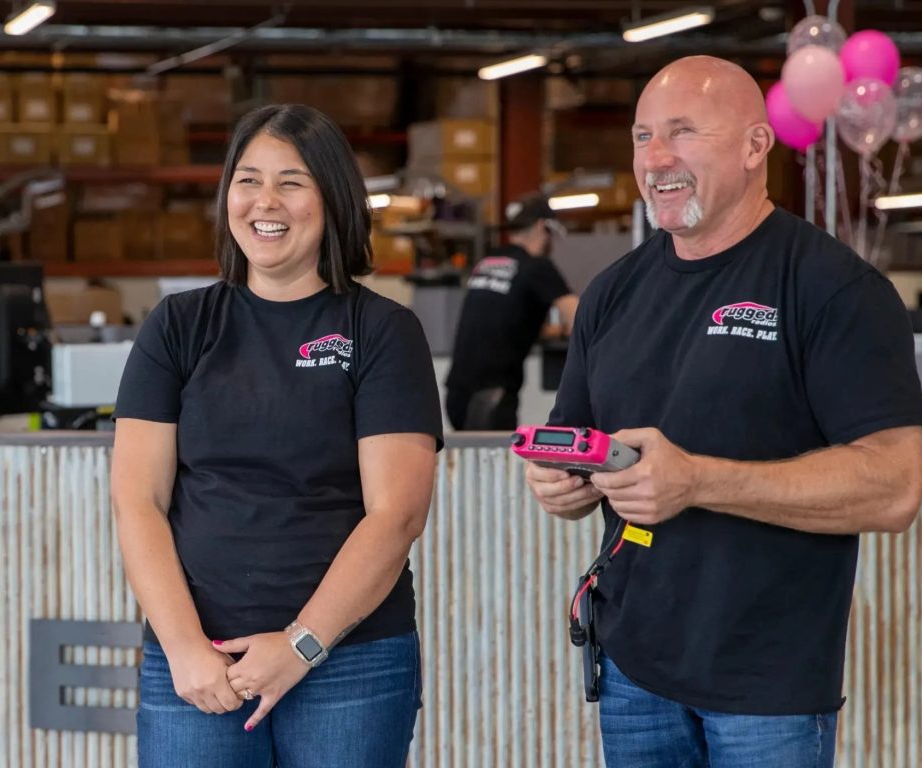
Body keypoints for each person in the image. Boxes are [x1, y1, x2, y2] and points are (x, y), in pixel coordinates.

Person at [526, 56, 922, 768]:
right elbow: (585, 446)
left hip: (766, 686)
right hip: (633, 672)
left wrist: (700, 481)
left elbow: (894, 487)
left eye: (683, 133)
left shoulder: (834, 290)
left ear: (754, 146)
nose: (656, 158)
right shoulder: (612, 293)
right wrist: (564, 485)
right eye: (643, 135)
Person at [111, 104, 443, 768]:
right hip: (198, 663)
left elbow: (397, 513)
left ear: (332, 199)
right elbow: (137, 500)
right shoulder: (178, 326)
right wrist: (183, 649)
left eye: (291, 182)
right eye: (248, 179)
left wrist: (300, 645)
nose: (266, 201)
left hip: (348, 662)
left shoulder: (380, 331)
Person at [445, 193, 579, 430]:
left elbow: (502, 319)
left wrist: (550, 331)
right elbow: (581, 316)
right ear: (542, 226)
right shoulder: (537, 266)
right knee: (496, 465)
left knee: (471, 464)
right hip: (493, 395)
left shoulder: (488, 260)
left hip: (456, 392)